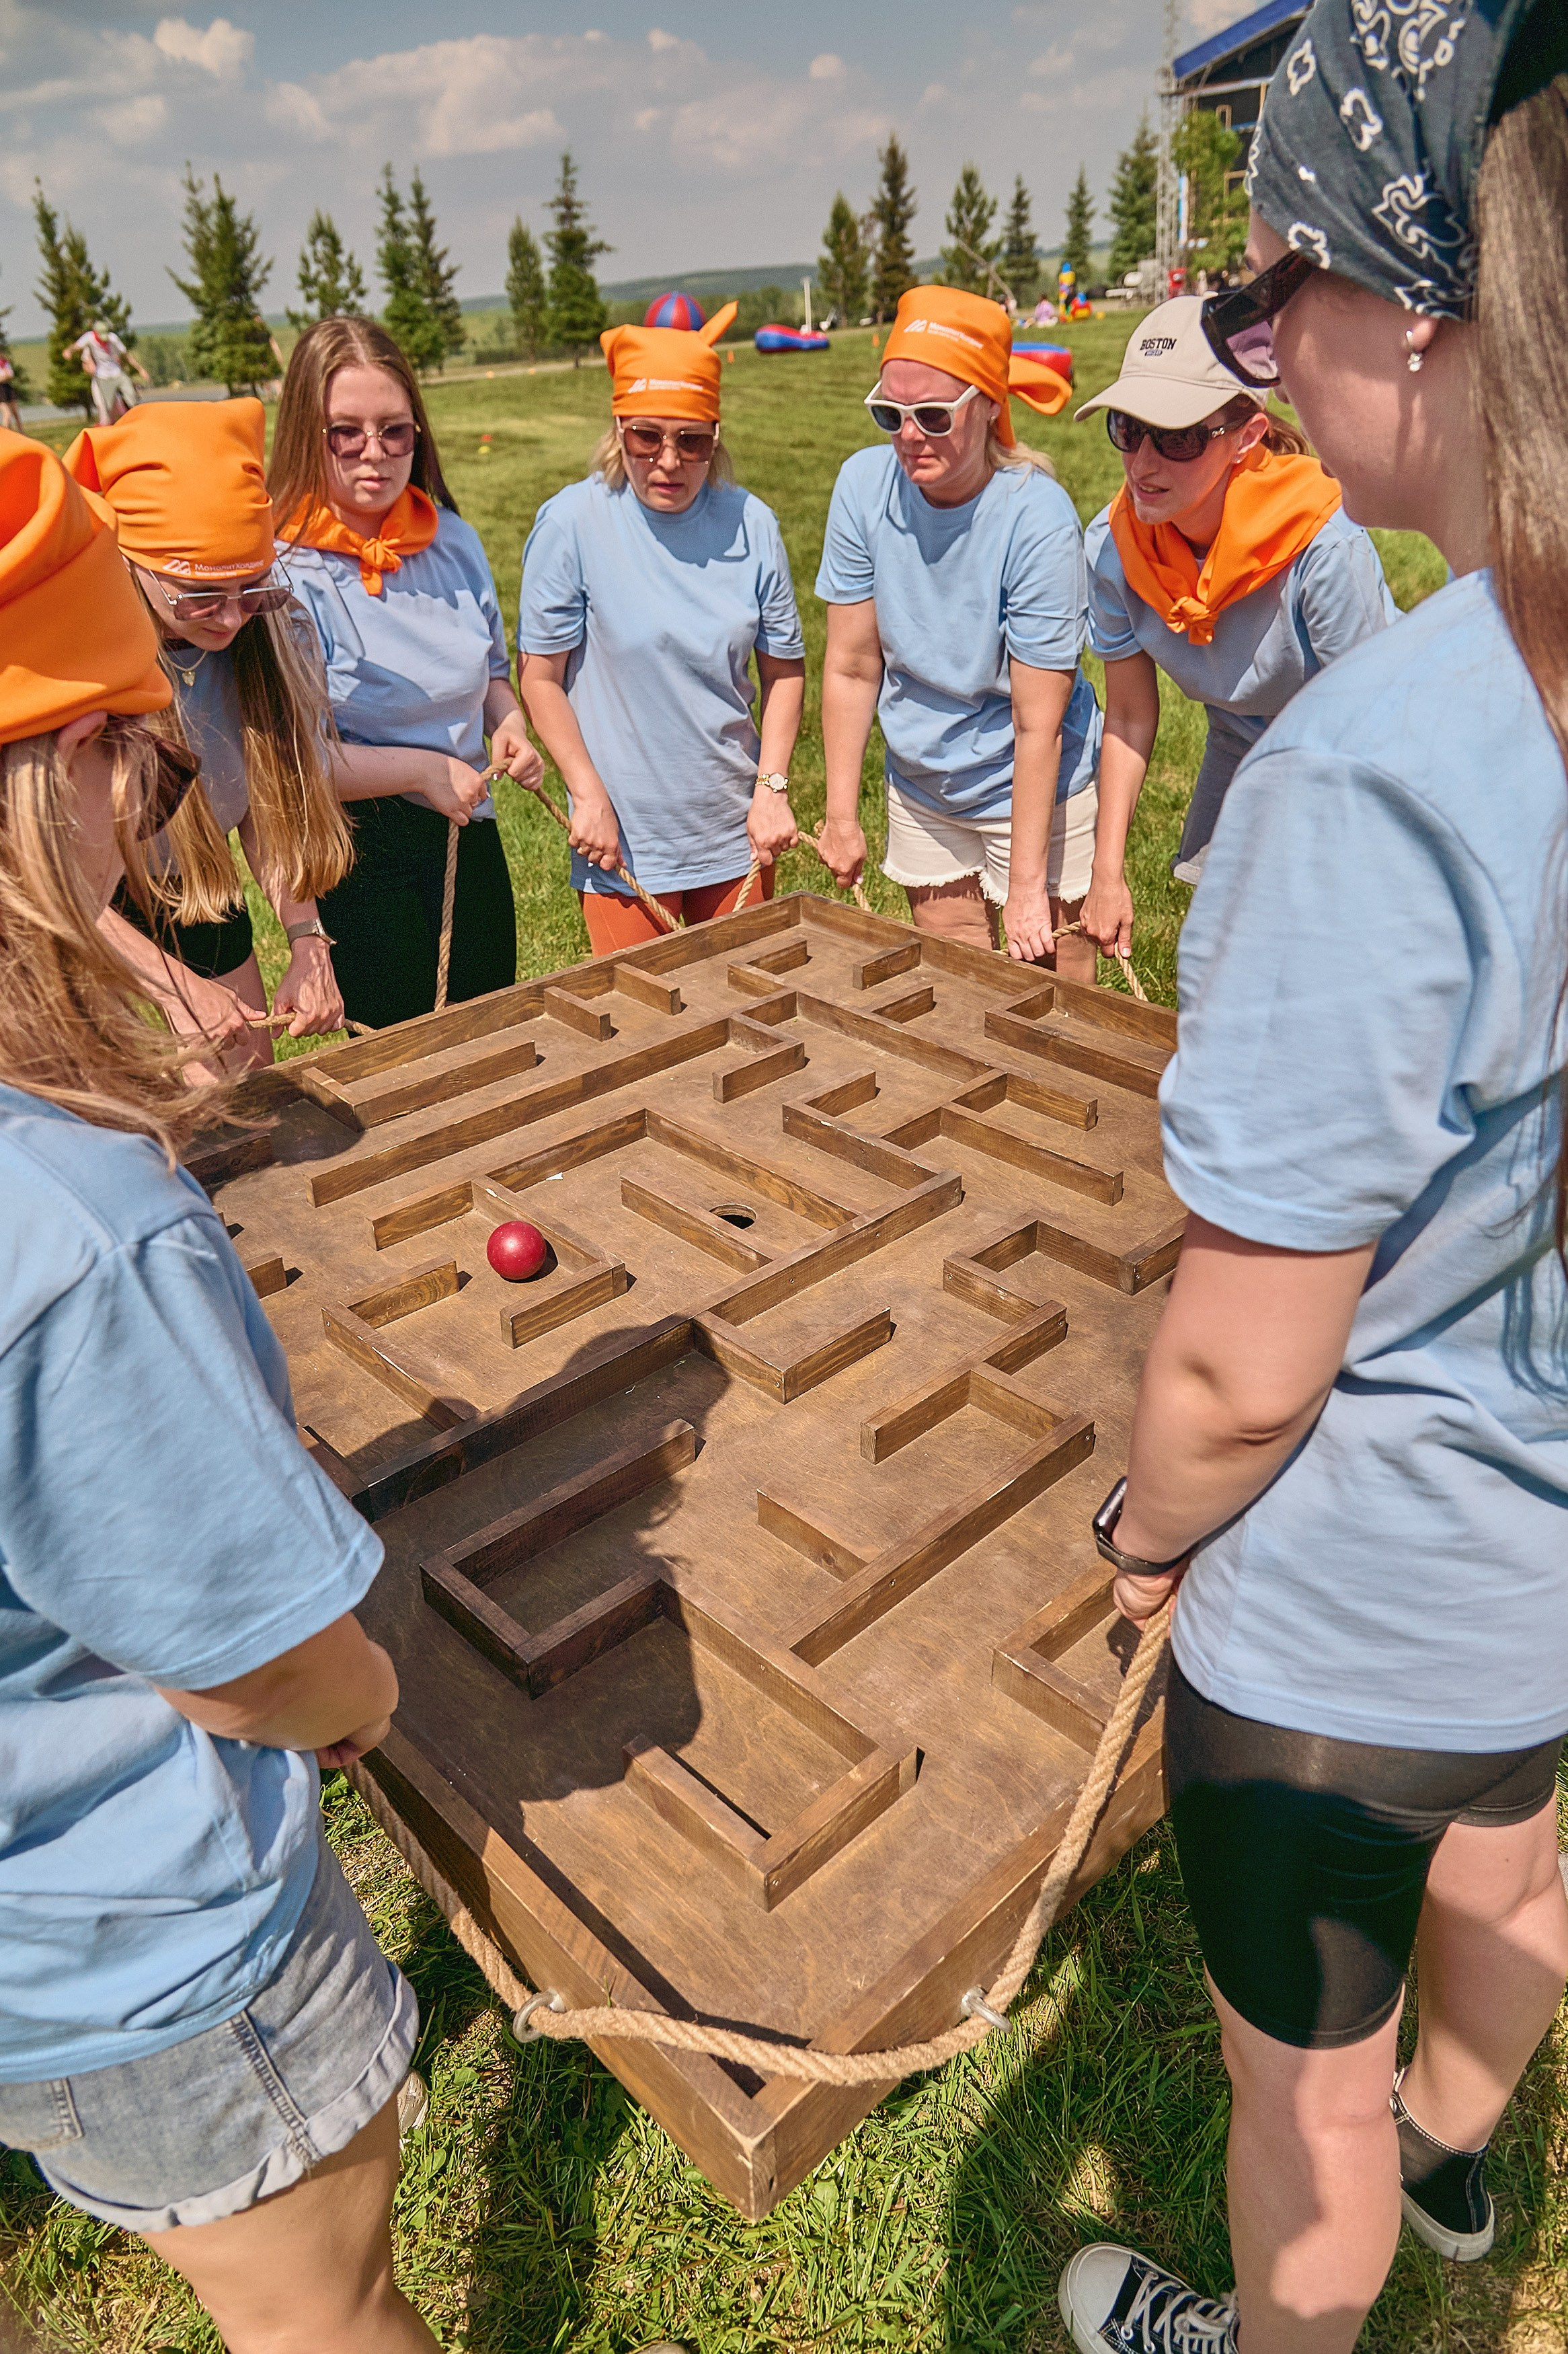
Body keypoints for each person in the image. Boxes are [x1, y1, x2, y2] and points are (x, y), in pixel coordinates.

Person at [1056, 5, 1568, 2351]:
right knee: (1523, 1879)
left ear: (1430, 315)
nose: (1256, 346)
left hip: (1352, 1616)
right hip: (1545, 1565)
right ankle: (1475, 2171)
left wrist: (1147, 1536)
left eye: (1276, 293)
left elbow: (1244, 1371)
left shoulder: (1382, 760)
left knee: (1309, 2126)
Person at [0, 428, 438, 2353]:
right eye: (144, 755)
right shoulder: (80, 1226)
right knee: (324, 2317)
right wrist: (365, 1698)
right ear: (75, 768)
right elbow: (252, 1661)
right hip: (151, 1935)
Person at [1073, 297, 1394, 958]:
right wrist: (1105, 876)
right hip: (1241, 739)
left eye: (1177, 436)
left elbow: (1368, 734)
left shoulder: (1322, 548)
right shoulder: (1113, 548)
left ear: (1245, 434)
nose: (1142, 462)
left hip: (1362, 749)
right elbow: (1129, 717)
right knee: (1222, 957)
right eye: (1127, 428)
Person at [816, 284, 1101, 975]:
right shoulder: (862, 487)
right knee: (955, 992)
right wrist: (841, 813)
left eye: (934, 416)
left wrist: (1029, 887)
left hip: (1032, 779)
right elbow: (852, 666)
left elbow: (1040, 722)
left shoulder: (1036, 519)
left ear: (988, 407)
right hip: (923, 782)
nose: (909, 435)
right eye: (890, 413)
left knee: (1057, 1009)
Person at [269, 317, 542, 1029]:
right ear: (306, 431)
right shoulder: (282, 572)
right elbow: (294, 761)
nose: (374, 453)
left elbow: (488, 672)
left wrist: (507, 723)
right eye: (346, 432)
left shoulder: (451, 537)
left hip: (464, 821)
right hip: (361, 844)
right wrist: (422, 769)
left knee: (490, 1028)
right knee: (400, 1055)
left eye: (395, 430)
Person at [65, 398, 352, 1074]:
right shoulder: (69, 668)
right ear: (126, 561)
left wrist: (308, 940)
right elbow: (33, 880)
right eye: (199, 596)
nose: (230, 619)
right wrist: (168, 986)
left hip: (190, 889)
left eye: (252, 588)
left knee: (245, 1085)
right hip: (65, 919)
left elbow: (265, 804)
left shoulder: (268, 638)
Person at [516, 303, 806, 952]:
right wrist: (586, 794)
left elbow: (784, 673)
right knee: (647, 1035)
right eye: (647, 437)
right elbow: (540, 679)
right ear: (619, 429)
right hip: (624, 842)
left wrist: (772, 789)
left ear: (716, 436)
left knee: (746, 1021)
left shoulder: (751, 524)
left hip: (736, 832)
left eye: (692, 441)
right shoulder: (572, 524)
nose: (669, 461)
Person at [68, 319, 149, 426]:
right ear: (96, 333)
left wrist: (141, 370)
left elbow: (126, 355)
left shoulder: (112, 338)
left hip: (117, 373)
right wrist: (69, 351)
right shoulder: (89, 338)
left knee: (131, 397)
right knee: (107, 406)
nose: (104, 340)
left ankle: (137, 418)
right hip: (103, 377)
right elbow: (77, 348)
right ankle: (110, 425)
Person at [0, 348, 20, 434]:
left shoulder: (5, 363)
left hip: (7, 387)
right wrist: (5, 377)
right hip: (1, 390)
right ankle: (6, 435)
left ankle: (21, 433)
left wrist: (4, 377)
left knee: (15, 412)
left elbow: (10, 374)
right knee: (7, 414)